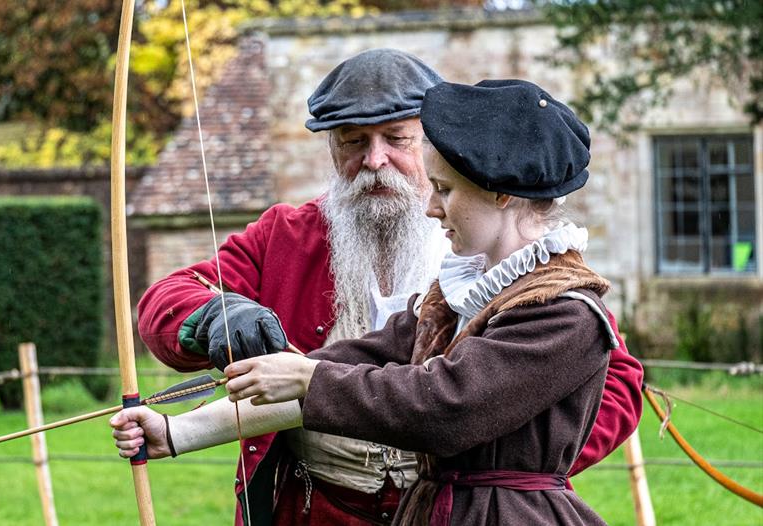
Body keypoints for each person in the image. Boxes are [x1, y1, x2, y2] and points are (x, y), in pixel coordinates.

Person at [132, 49, 643, 525]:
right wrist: (192, 395)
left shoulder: (554, 300)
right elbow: (332, 362)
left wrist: (515, 458)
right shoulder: (447, 282)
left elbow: (451, 404)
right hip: (331, 505)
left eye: (397, 140)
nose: (375, 161)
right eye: (353, 142)